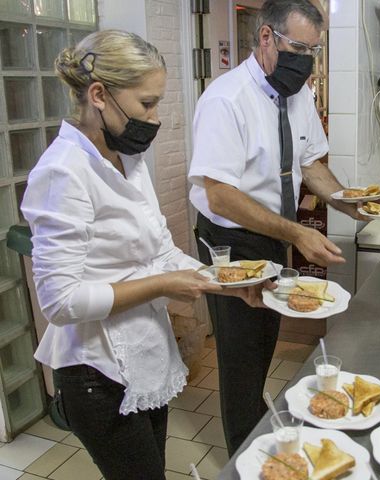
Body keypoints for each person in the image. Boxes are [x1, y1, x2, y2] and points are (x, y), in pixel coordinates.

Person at [21, 30, 265, 480]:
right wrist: (164, 286)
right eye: (146, 104)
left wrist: (228, 285)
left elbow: (160, 252)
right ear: (99, 95)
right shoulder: (62, 173)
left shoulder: (126, 159)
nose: (155, 119)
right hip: (97, 373)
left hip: (144, 357)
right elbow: (60, 302)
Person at [188, 0, 363, 455]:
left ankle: (255, 441)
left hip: (271, 235)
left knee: (264, 342)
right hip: (230, 239)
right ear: (267, 37)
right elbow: (220, 195)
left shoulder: (298, 95)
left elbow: (311, 165)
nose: (306, 62)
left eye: (314, 52)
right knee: (242, 357)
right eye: (299, 48)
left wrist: (352, 204)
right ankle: (243, 460)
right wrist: (297, 233)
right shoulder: (226, 99)